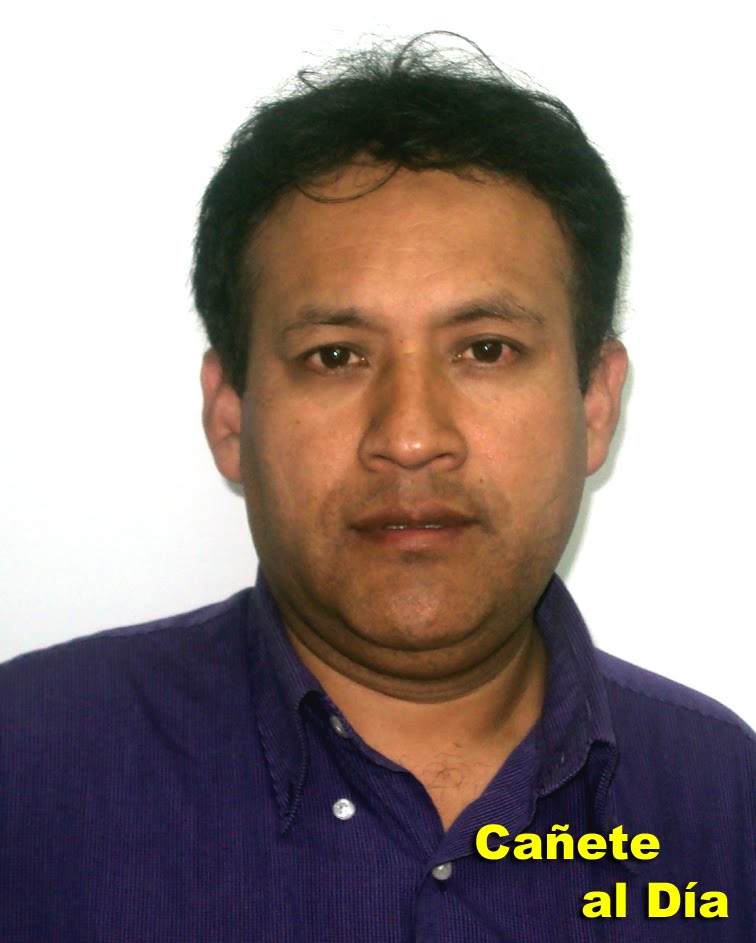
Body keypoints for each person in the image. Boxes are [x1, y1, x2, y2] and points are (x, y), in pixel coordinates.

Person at [1, 36, 753, 941]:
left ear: (595, 404)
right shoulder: (27, 769)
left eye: (485, 349)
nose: (409, 436)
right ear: (231, 416)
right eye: (335, 356)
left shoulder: (725, 804)